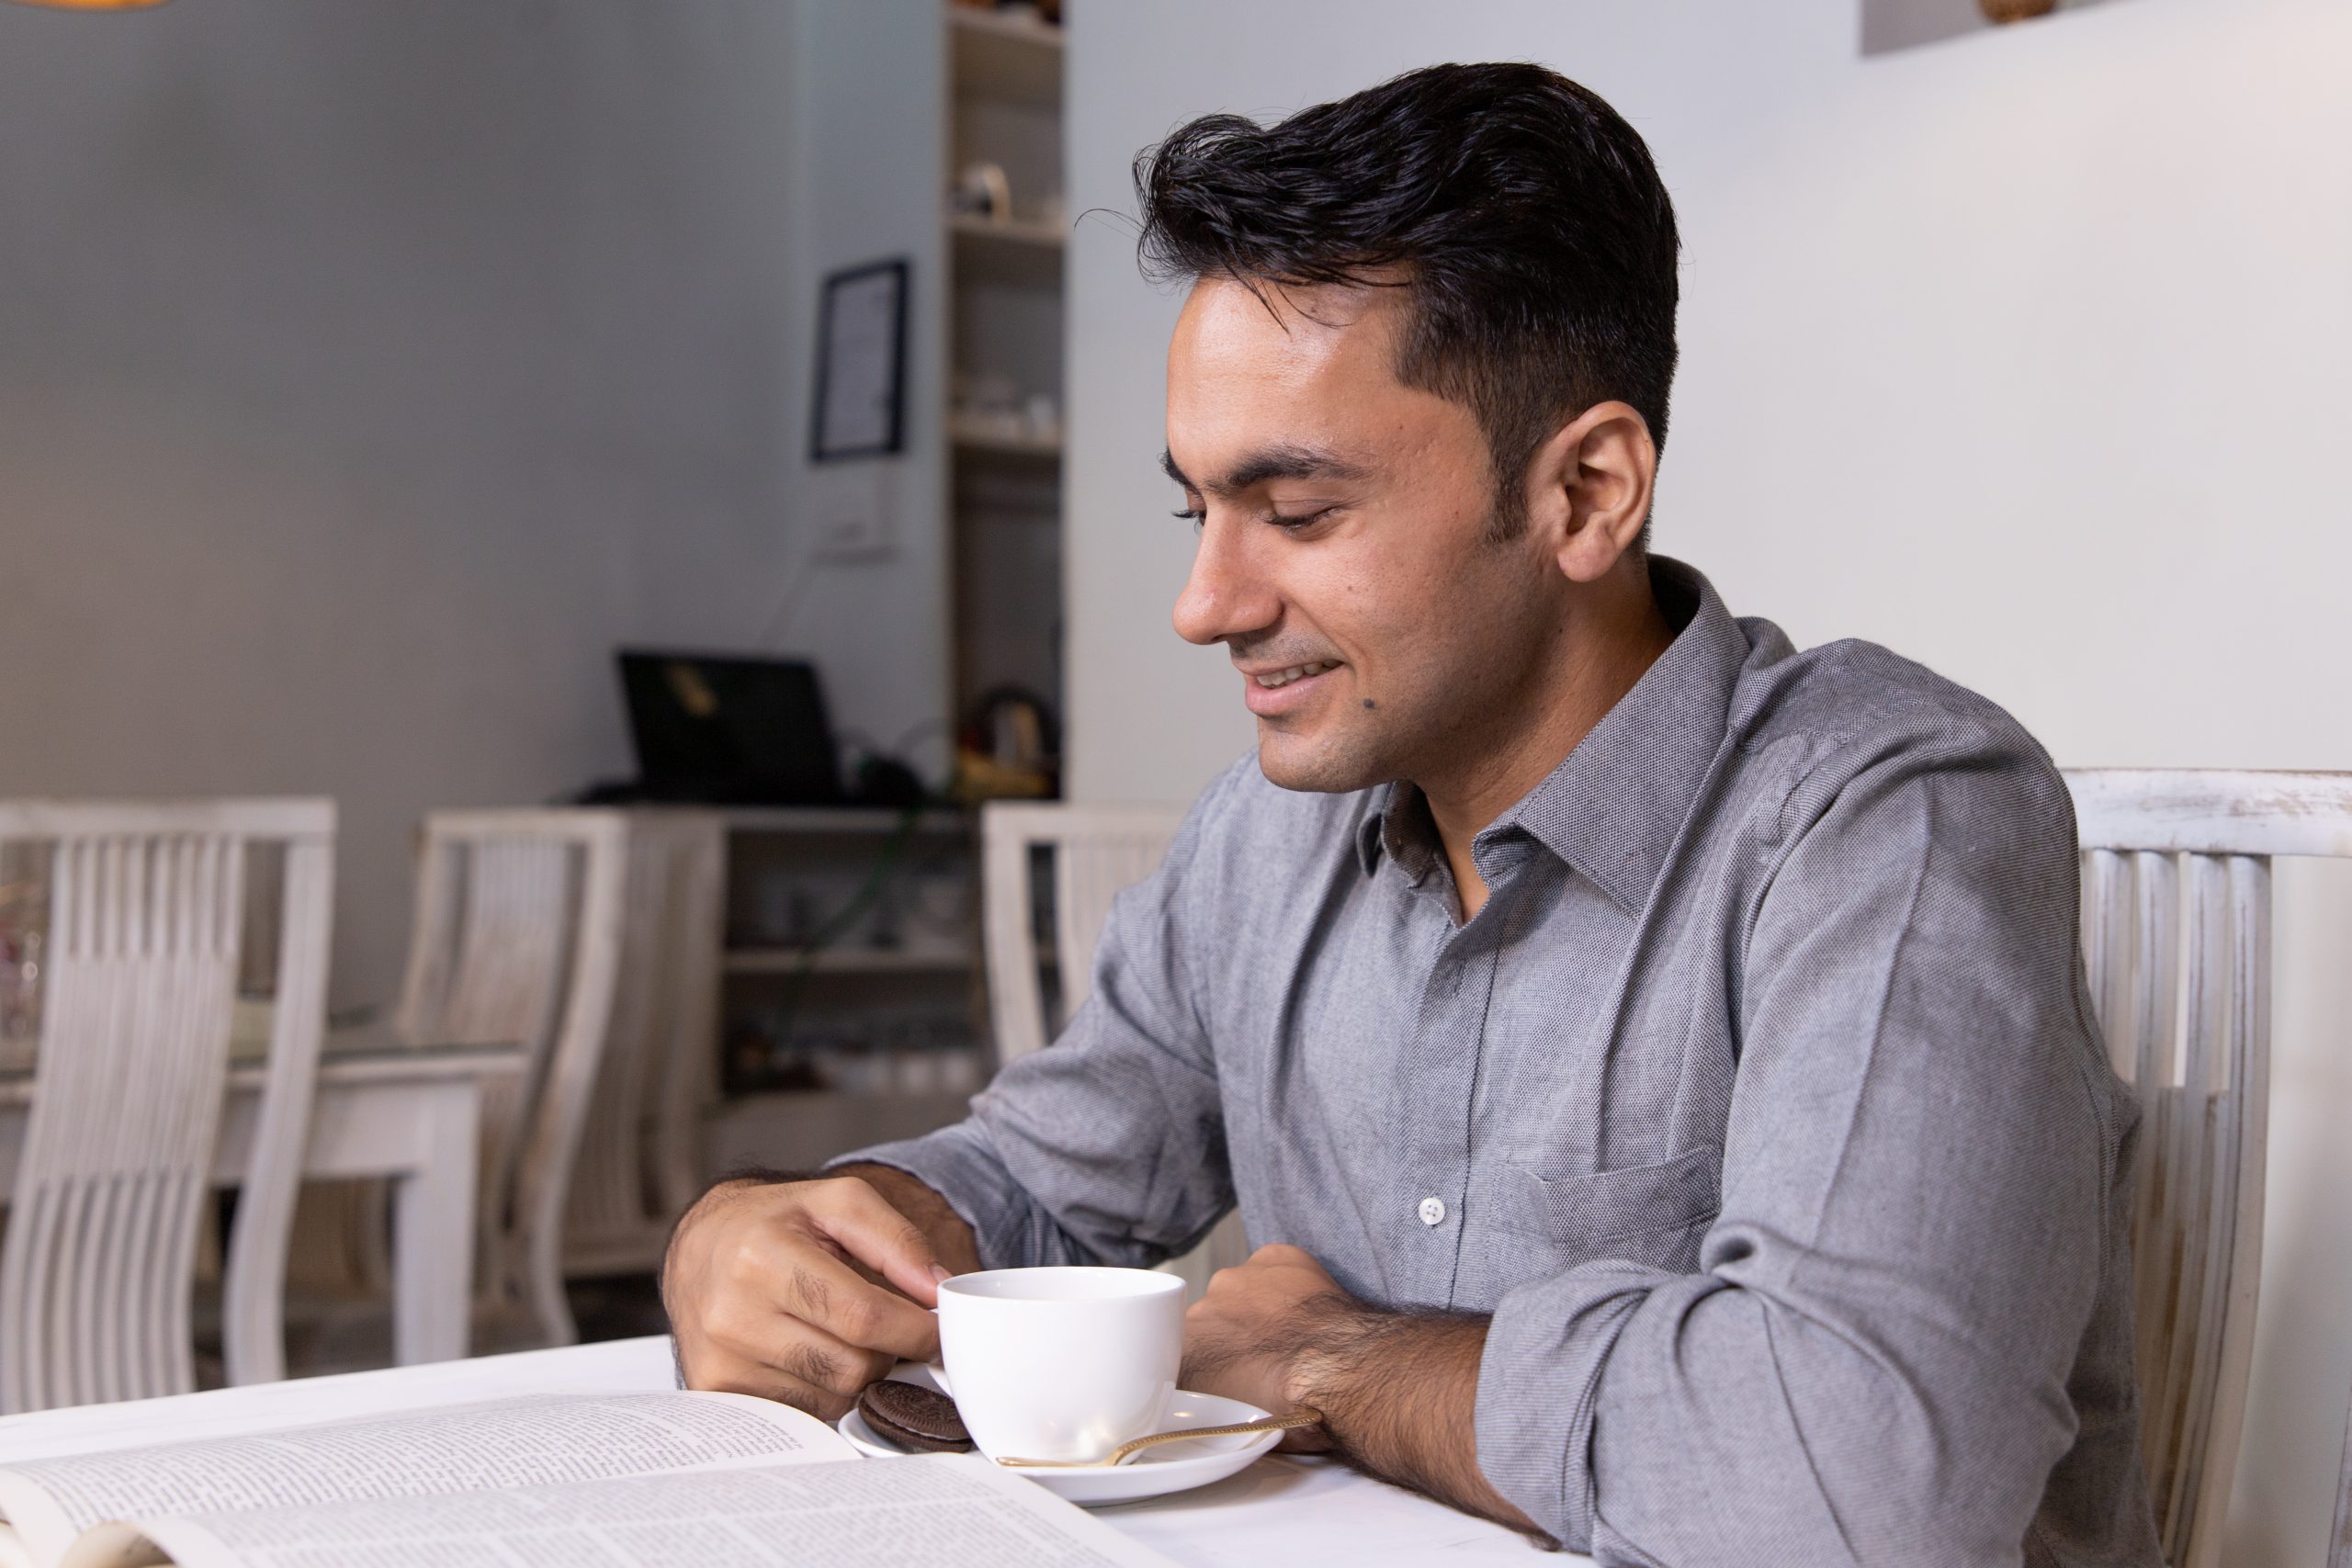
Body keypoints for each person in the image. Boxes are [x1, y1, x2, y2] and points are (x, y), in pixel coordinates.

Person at [663, 62, 2160, 1565]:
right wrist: (799, 1234)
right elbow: (1038, 1184)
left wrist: (1330, 1360)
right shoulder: (1263, 842)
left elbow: (1861, 1485)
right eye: (1200, 510)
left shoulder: (1885, 815)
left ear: (1586, 491)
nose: (1205, 605)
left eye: (1299, 514)